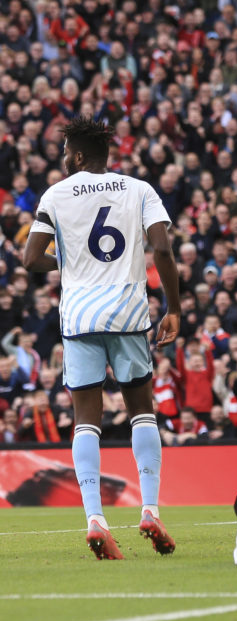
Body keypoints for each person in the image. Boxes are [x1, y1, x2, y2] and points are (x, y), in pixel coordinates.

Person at [23, 117, 181, 560]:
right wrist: (175, 308)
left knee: (86, 419)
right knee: (141, 412)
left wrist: (69, 262)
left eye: (64, 153)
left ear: (75, 155)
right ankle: (149, 510)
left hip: (79, 316)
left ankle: (95, 518)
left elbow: (31, 257)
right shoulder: (139, 190)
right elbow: (163, 250)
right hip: (129, 313)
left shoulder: (55, 194)